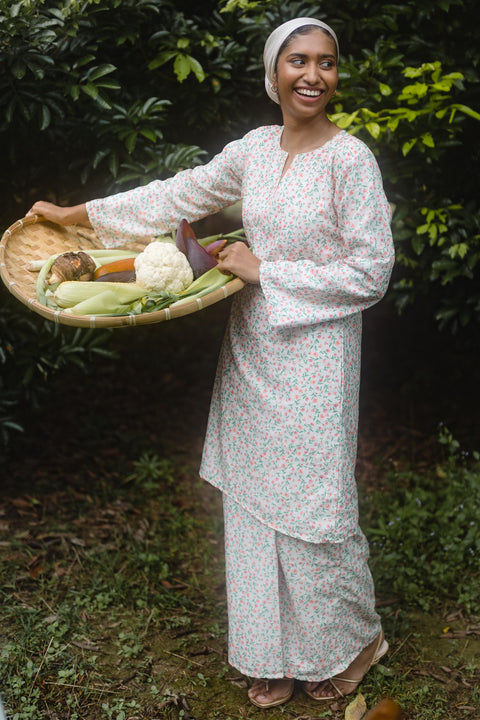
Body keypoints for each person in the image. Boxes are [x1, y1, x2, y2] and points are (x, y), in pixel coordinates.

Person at [28, 17, 395, 709]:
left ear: (337, 74)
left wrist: (268, 270)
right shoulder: (254, 150)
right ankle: (271, 652)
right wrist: (78, 213)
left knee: (315, 505)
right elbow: (178, 194)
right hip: (254, 344)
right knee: (255, 500)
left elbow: (371, 271)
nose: (312, 75)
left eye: (325, 62)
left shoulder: (352, 161)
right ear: (273, 72)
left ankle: (353, 642)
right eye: (297, 61)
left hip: (316, 347)